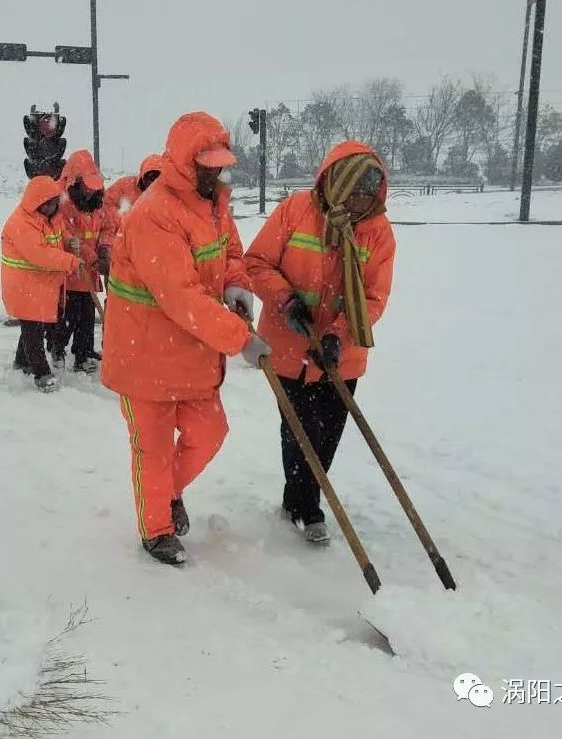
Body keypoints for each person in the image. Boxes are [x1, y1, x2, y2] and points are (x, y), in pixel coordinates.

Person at [101, 111, 271, 565]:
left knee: (210, 432)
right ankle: (156, 529)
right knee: (152, 450)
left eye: (220, 164)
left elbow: (229, 251)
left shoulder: (212, 202)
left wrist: (236, 284)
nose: (217, 172)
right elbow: (183, 299)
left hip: (191, 352)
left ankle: (167, 493)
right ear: (182, 163)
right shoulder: (153, 216)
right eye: (207, 165)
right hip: (144, 356)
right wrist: (241, 339)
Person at [244, 141, 396, 545]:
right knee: (298, 431)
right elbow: (256, 263)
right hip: (290, 347)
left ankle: (302, 499)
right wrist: (286, 300)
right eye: (353, 198)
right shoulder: (294, 211)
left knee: (327, 434)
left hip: (342, 355)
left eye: (368, 200)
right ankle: (306, 506)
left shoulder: (378, 231)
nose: (359, 208)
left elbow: (373, 296)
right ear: (334, 184)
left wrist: (336, 335)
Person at [1, 175, 91, 393]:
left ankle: (21, 363)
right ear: (37, 202)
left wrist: (69, 242)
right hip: (24, 286)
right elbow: (39, 254)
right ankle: (41, 373)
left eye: (54, 203)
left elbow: (57, 238)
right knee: (33, 330)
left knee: (34, 326)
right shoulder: (20, 223)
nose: (52, 207)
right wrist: (69, 261)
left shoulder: (51, 218)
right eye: (47, 204)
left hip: (38, 287)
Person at [50, 149, 115, 374]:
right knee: (68, 315)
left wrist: (105, 249)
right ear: (76, 182)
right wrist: (92, 256)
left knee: (87, 318)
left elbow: (108, 228)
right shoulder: (65, 205)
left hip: (91, 271)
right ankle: (57, 349)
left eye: (93, 185)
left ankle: (83, 353)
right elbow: (69, 237)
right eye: (87, 185)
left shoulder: (99, 203)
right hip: (72, 272)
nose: (90, 190)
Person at [105, 153, 162, 219]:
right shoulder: (125, 185)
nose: (153, 181)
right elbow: (106, 203)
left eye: (157, 177)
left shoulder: (167, 195)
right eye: (150, 176)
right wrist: (120, 216)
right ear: (143, 175)